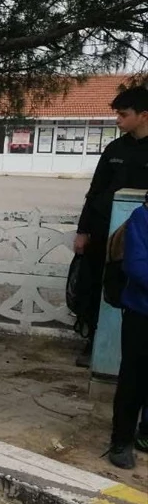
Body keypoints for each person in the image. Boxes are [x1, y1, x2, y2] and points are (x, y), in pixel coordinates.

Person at [73, 86, 148, 366]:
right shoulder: (115, 148)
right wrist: (83, 231)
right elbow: (94, 192)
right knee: (95, 288)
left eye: (123, 114)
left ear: (143, 115)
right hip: (104, 233)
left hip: (140, 239)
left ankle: (125, 354)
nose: (118, 120)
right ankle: (93, 343)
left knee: (134, 290)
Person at [107, 191, 148, 469]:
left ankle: (145, 434)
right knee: (133, 378)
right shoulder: (141, 218)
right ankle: (121, 440)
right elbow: (136, 266)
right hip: (141, 313)